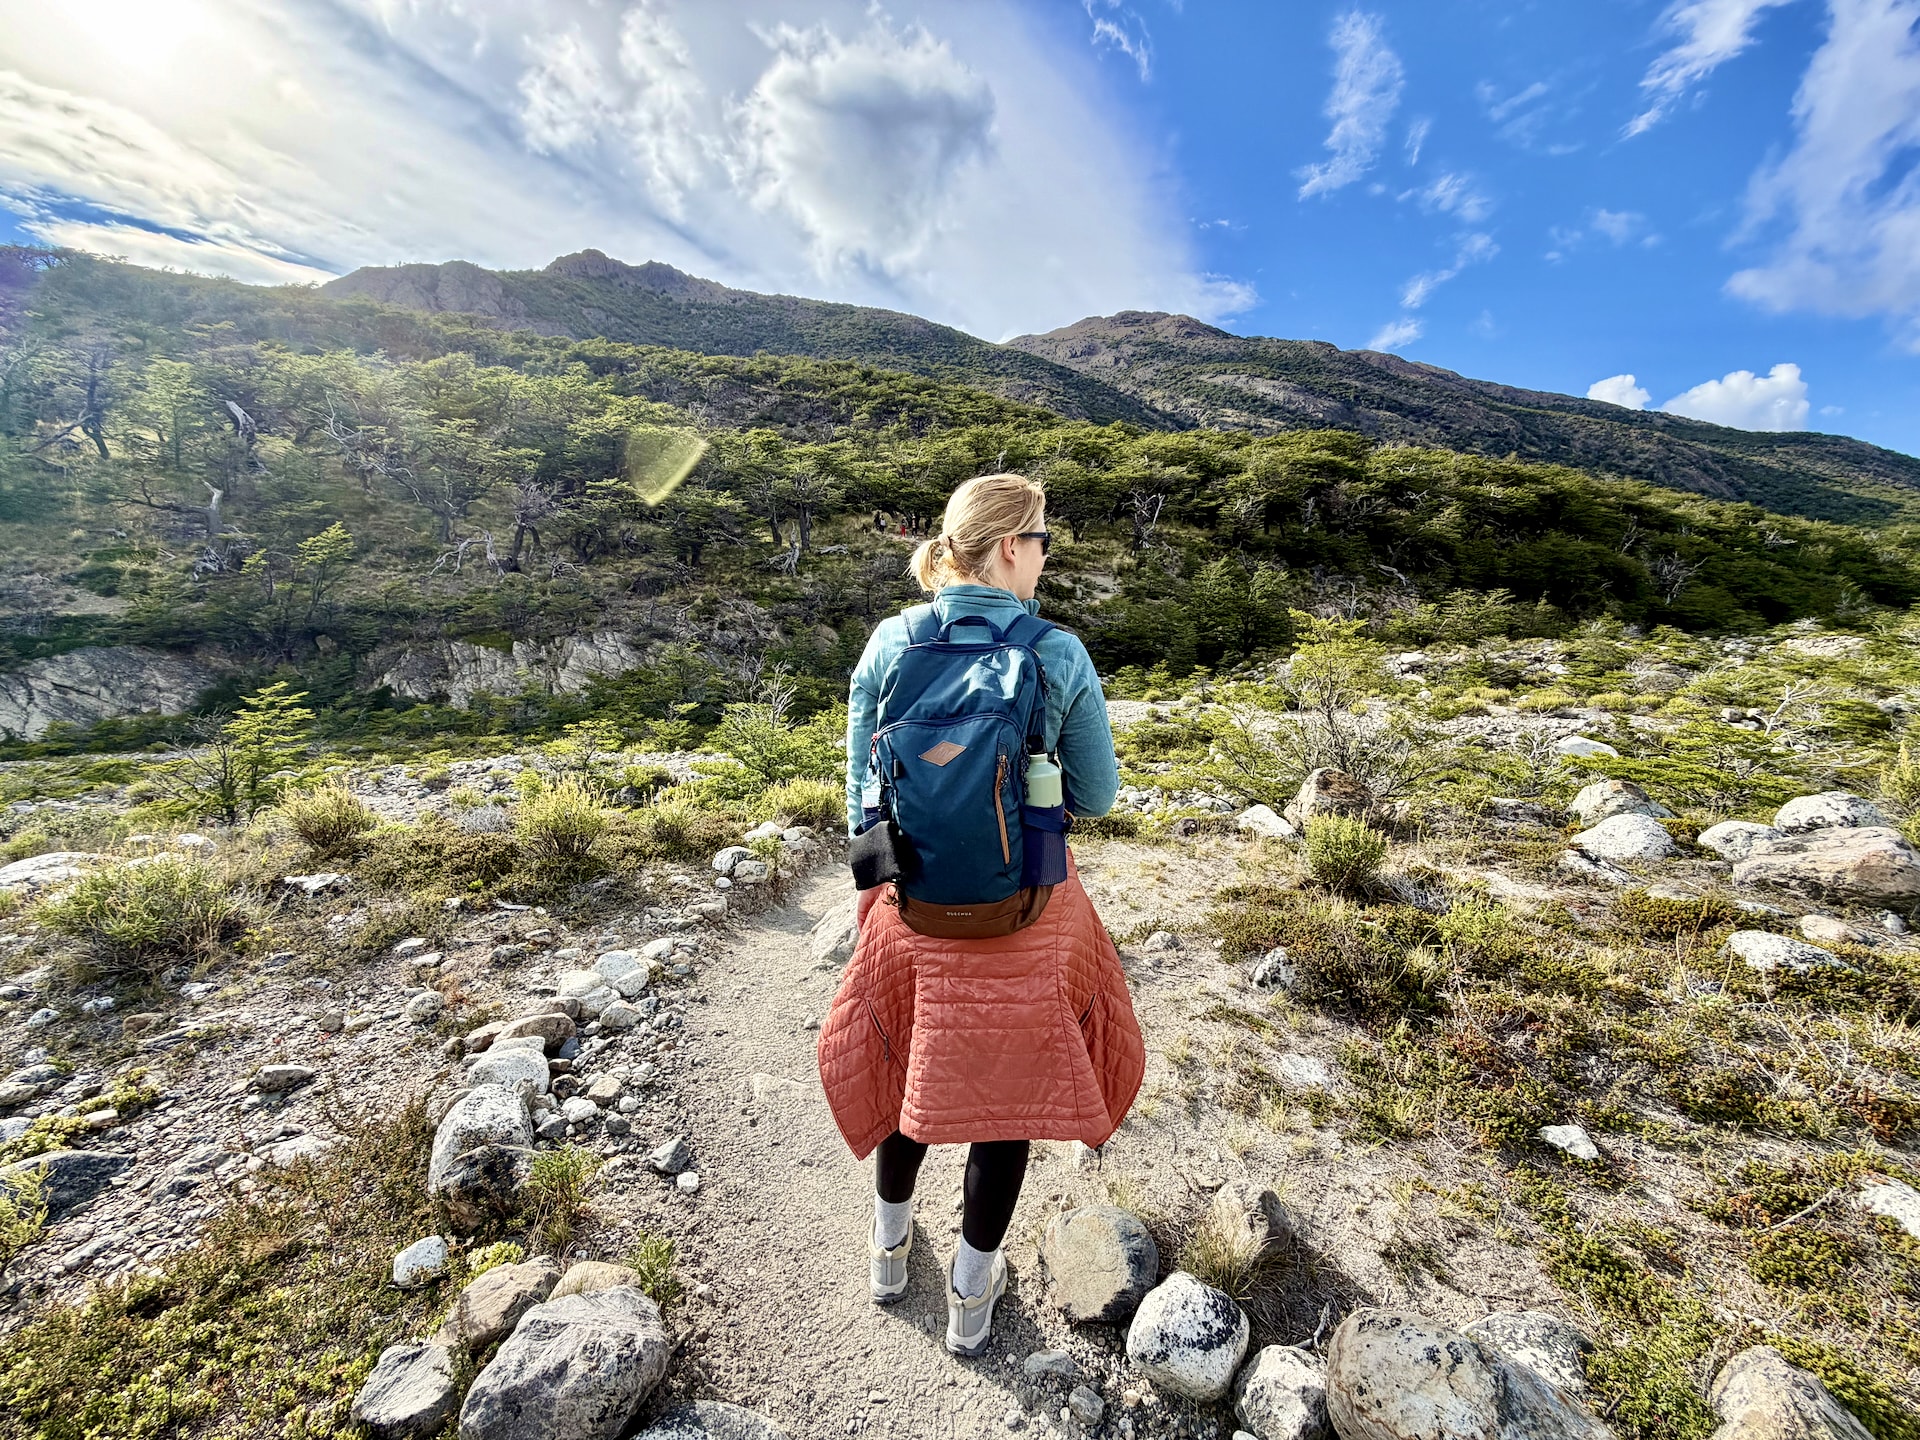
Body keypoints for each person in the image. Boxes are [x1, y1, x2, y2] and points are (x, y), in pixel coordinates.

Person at [816, 472, 1144, 1357]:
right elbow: (1099, 797)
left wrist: (881, 886)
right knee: (1004, 1101)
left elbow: (862, 793)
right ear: (1008, 547)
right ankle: (970, 1294)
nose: (1044, 557)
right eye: (1042, 541)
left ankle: (889, 1253)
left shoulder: (891, 641)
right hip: (1024, 914)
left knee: (906, 1068)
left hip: (911, 911)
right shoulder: (1056, 651)